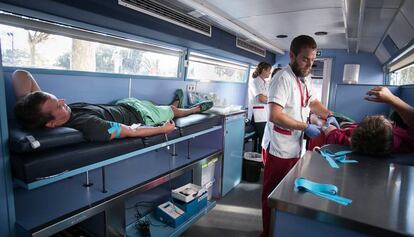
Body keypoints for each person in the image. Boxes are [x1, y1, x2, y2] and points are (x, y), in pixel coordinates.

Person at [260, 35, 339, 237]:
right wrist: (305, 126)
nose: (309, 65)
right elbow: (274, 115)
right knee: (272, 193)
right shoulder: (282, 79)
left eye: (313, 60)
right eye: (305, 59)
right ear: (292, 56)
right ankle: (267, 232)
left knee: (286, 191)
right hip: (278, 147)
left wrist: (329, 115)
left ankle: (278, 229)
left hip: (294, 146)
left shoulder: (304, 79)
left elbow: (313, 103)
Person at [12, 70, 213, 142]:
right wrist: (164, 129)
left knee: (158, 105)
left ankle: (174, 104)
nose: (63, 102)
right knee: (172, 112)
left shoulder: (49, 112)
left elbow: (22, 74)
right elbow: (130, 132)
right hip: (142, 117)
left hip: (125, 104)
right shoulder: (89, 125)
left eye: (59, 100)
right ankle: (194, 108)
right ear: (51, 125)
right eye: (58, 106)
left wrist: (24, 102)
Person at [308, 86, 414, 155]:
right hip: (348, 125)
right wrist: (392, 99)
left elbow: (327, 127)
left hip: (341, 126)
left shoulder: (340, 139)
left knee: (327, 116)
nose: (391, 122)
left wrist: (314, 119)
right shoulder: (404, 141)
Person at [248, 62, 272, 151]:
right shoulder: (255, 81)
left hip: (264, 115)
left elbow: (266, 97)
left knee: (265, 140)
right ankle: (261, 161)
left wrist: (269, 99)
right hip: (258, 116)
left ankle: (262, 159)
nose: (270, 73)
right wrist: (272, 100)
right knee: (264, 140)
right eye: (269, 71)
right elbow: (261, 98)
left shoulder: (265, 82)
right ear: (263, 70)